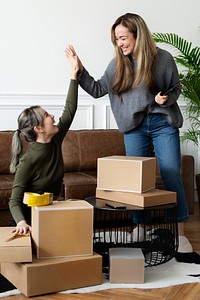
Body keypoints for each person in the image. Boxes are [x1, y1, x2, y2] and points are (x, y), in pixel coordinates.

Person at [66, 13, 192, 253]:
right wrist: (79, 70)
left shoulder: (163, 59)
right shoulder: (117, 65)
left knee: (171, 174)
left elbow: (175, 88)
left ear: (138, 34)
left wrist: (164, 99)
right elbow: (97, 89)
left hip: (163, 123)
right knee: (134, 182)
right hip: (134, 127)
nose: (120, 43)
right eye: (116, 39)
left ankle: (180, 234)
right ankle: (140, 227)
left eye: (123, 37)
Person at [9, 45, 79, 235]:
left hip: (48, 211)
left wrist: (74, 73)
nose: (53, 117)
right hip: (28, 219)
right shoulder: (28, 161)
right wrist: (22, 223)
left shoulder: (55, 138)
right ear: (38, 128)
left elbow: (70, 110)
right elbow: (14, 200)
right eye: (47, 115)